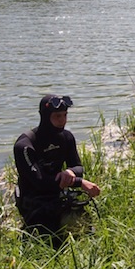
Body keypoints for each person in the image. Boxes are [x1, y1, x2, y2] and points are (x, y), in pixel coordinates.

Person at [14, 94, 101, 247]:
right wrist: (78, 182)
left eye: (65, 115)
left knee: (84, 227)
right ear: (45, 116)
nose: (63, 120)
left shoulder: (66, 138)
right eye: (57, 116)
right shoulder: (25, 145)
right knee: (51, 238)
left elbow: (78, 167)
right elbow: (40, 182)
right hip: (32, 198)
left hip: (56, 193)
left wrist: (71, 173)